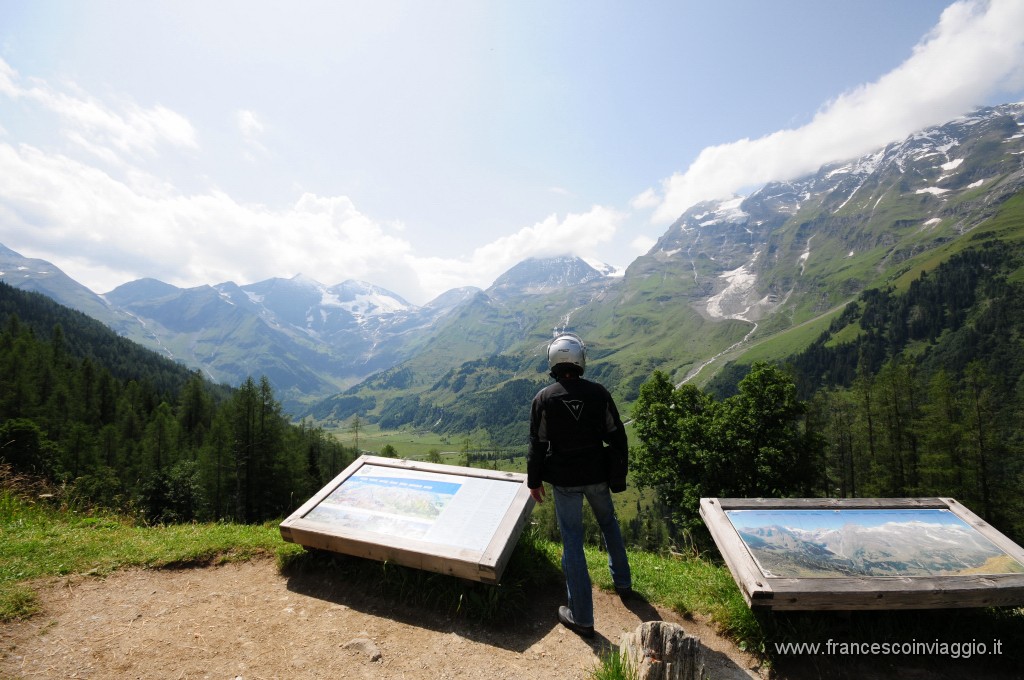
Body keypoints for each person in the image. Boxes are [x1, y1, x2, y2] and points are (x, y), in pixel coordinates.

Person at [527, 332, 632, 639]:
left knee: (572, 540)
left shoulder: (544, 398)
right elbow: (617, 436)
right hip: (597, 475)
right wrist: (618, 477)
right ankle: (623, 584)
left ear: (553, 362)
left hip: (565, 481)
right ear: (580, 360)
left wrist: (534, 481)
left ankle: (582, 617)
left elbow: (537, 444)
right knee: (609, 524)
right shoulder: (599, 393)